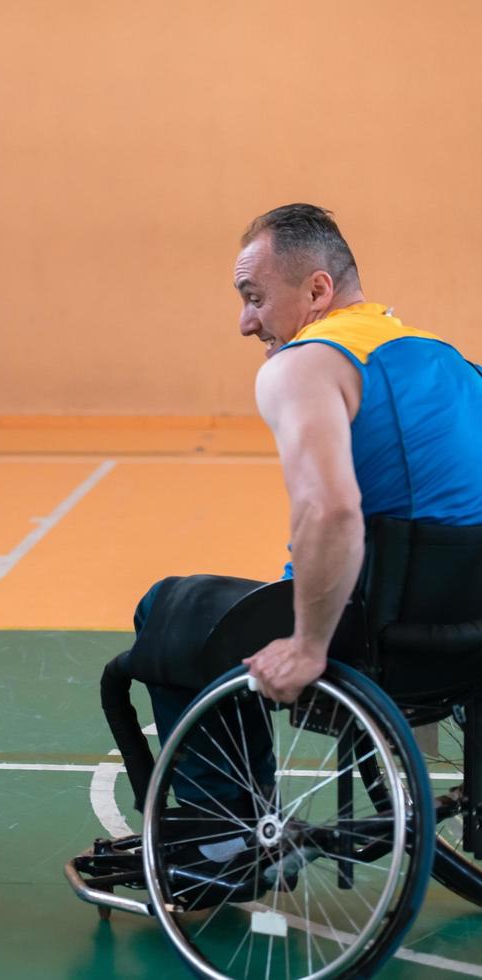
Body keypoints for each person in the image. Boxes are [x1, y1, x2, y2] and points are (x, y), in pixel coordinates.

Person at [114, 203, 482, 814]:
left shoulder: (305, 364)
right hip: (467, 629)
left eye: (253, 296)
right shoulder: (453, 362)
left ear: (317, 289)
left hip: (380, 632)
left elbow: (331, 512)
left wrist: (308, 647)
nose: (245, 322)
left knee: (171, 609)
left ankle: (224, 834)